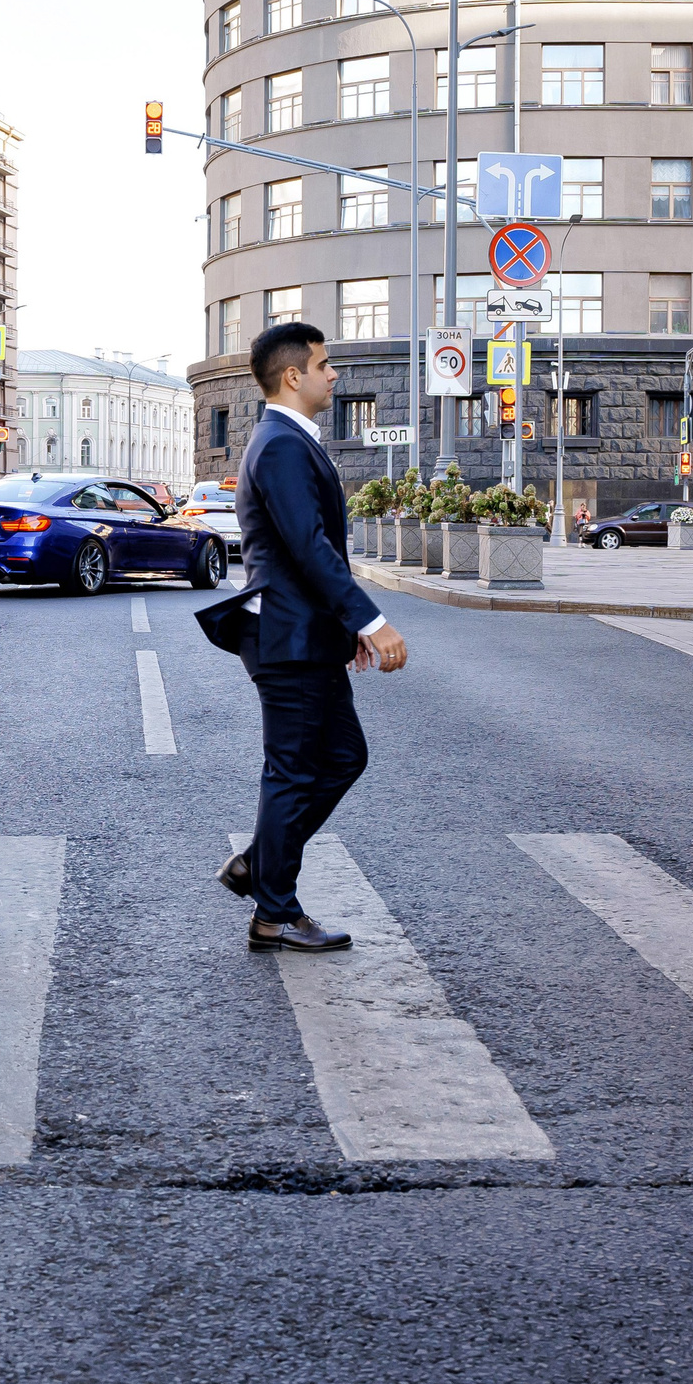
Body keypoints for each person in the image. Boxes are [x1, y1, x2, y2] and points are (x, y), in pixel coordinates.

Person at [195, 322, 409, 954]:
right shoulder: (281, 445)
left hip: (305, 634)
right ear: (293, 376)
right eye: (323, 364)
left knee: (343, 757)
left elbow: (312, 551)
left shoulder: (288, 440)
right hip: (286, 638)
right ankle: (274, 914)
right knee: (292, 772)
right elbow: (310, 548)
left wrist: (344, 627)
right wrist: (371, 621)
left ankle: (259, 866)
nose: (333, 374)